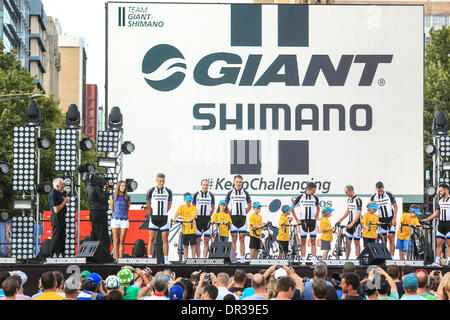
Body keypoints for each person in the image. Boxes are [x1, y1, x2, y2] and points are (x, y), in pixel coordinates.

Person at [146, 173, 173, 264]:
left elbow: (169, 204)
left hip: (164, 218)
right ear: (156, 180)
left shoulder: (168, 191)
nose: (162, 183)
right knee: (151, 239)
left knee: (165, 239)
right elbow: (148, 203)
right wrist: (152, 212)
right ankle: (150, 259)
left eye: (163, 181)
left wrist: (165, 212)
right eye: (160, 181)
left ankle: (166, 259)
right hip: (154, 217)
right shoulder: (151, 190)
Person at [292, 182, 320, 264]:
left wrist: (316, 216)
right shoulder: (300, 197)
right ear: (309, 189)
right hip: (303, 221)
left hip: (312, 222)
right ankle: (303, 260)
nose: (314, 192)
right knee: (303, 241)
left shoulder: (315, 198)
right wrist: (297, 219)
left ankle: (314, 260)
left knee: (313, 241)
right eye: (313, 190)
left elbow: (318, 208)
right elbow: (291, 208)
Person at [225, 175, 252, 263]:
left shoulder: (245, 193)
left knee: (242, 238)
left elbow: (250, 205)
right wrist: (230, 214)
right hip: (233, 218)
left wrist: (244, 213)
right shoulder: (230, 193)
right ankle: (234, 259)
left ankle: (243, 259)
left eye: (240, 182)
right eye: (237, 182)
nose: (238, 183)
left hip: (242, 218)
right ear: (234, 182)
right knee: (234, 238)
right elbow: (225, 205)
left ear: (242, 182)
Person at [86, 175, 113, 255]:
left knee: (94, 235)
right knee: (103, 236)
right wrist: (108, 190)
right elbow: (104, 200)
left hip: (92, 212)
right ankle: (104, 255)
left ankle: (92, 254)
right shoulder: (97, 188)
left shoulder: (89, 187)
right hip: (99, 212)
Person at [424, 183, 450, 266]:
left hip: (449, 224)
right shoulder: (440, 200)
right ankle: (437, 261)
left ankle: (449, 261)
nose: (440, 193)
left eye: (441, 191)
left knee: (449, 244)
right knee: (439, 244)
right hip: (441, 224)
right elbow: (436, 213)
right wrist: (427, 219)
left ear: (446, 190)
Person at [370, 182, 398, 256]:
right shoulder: (373, 197)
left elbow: (395, 206)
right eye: (378, 190)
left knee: (391, 238)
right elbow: (372, 210)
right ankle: (385, 256)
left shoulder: (389, 194)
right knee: (384, 239)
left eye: (381, 190)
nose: (380, 192)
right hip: (381, 220)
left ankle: (391, 257)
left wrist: (394, 218)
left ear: (383, 187)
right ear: (376, 189)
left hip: (390, 218)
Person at [337, 185, 362, 258]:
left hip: (356, 224)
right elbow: (348, 211)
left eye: (346, 192)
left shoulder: (358, 200)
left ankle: (357, 259)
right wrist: (341, 219)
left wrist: (353, 223)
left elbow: (359, 213)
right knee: (347, 242)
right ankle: (346, 258)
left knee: (356, 242)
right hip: (350, 222)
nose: (346, 194)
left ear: (351, 191)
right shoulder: (349, 200)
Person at [110, 180, 132, 262]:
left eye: (124, 186)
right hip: (115, 220)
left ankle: (121, 259)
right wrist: (115, 216)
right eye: (122, 186)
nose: (123, 187)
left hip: (124, 220)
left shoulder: (127, 197)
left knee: (122, 240)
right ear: (119, 186)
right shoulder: (113, 197)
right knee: (116, 240)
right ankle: (116, 259)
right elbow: (112, 209)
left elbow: (127, 209)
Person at [193, 179, 215, 258]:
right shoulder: (196, 194)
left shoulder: (211, 195)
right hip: (198, 219)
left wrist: (209, 216)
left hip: (207, 219)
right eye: (204, 184)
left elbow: (213, 208)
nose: (205, 186)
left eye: (207, 185)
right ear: (201, 185)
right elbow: (193, 207)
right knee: (197, 241)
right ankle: (198, 258)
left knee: (206, 241)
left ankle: (205, 258)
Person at [48, 177, 70, 257]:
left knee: (62, 236)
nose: (63, 186)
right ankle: (53, 254)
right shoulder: (53, 194)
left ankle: (61, 253)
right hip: (56, 217)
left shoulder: (58, 193)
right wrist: (64, 201)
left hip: (61, 217)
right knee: (56, 236)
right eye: (62, 184)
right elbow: (56, 209)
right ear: (57, 186)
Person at [173, 193, 198, 259]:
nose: (188, 202)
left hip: (192, 229)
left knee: (193, 245)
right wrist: (174, 218)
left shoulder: (193, 207)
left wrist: (189, 220)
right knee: (185, 245)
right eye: (187, 201)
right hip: (184, 229)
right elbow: (177, 213)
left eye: (190, 201)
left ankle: (193, 259)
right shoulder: (181, 207)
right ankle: (186, 259)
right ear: (184, 200)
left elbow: (194, 216)